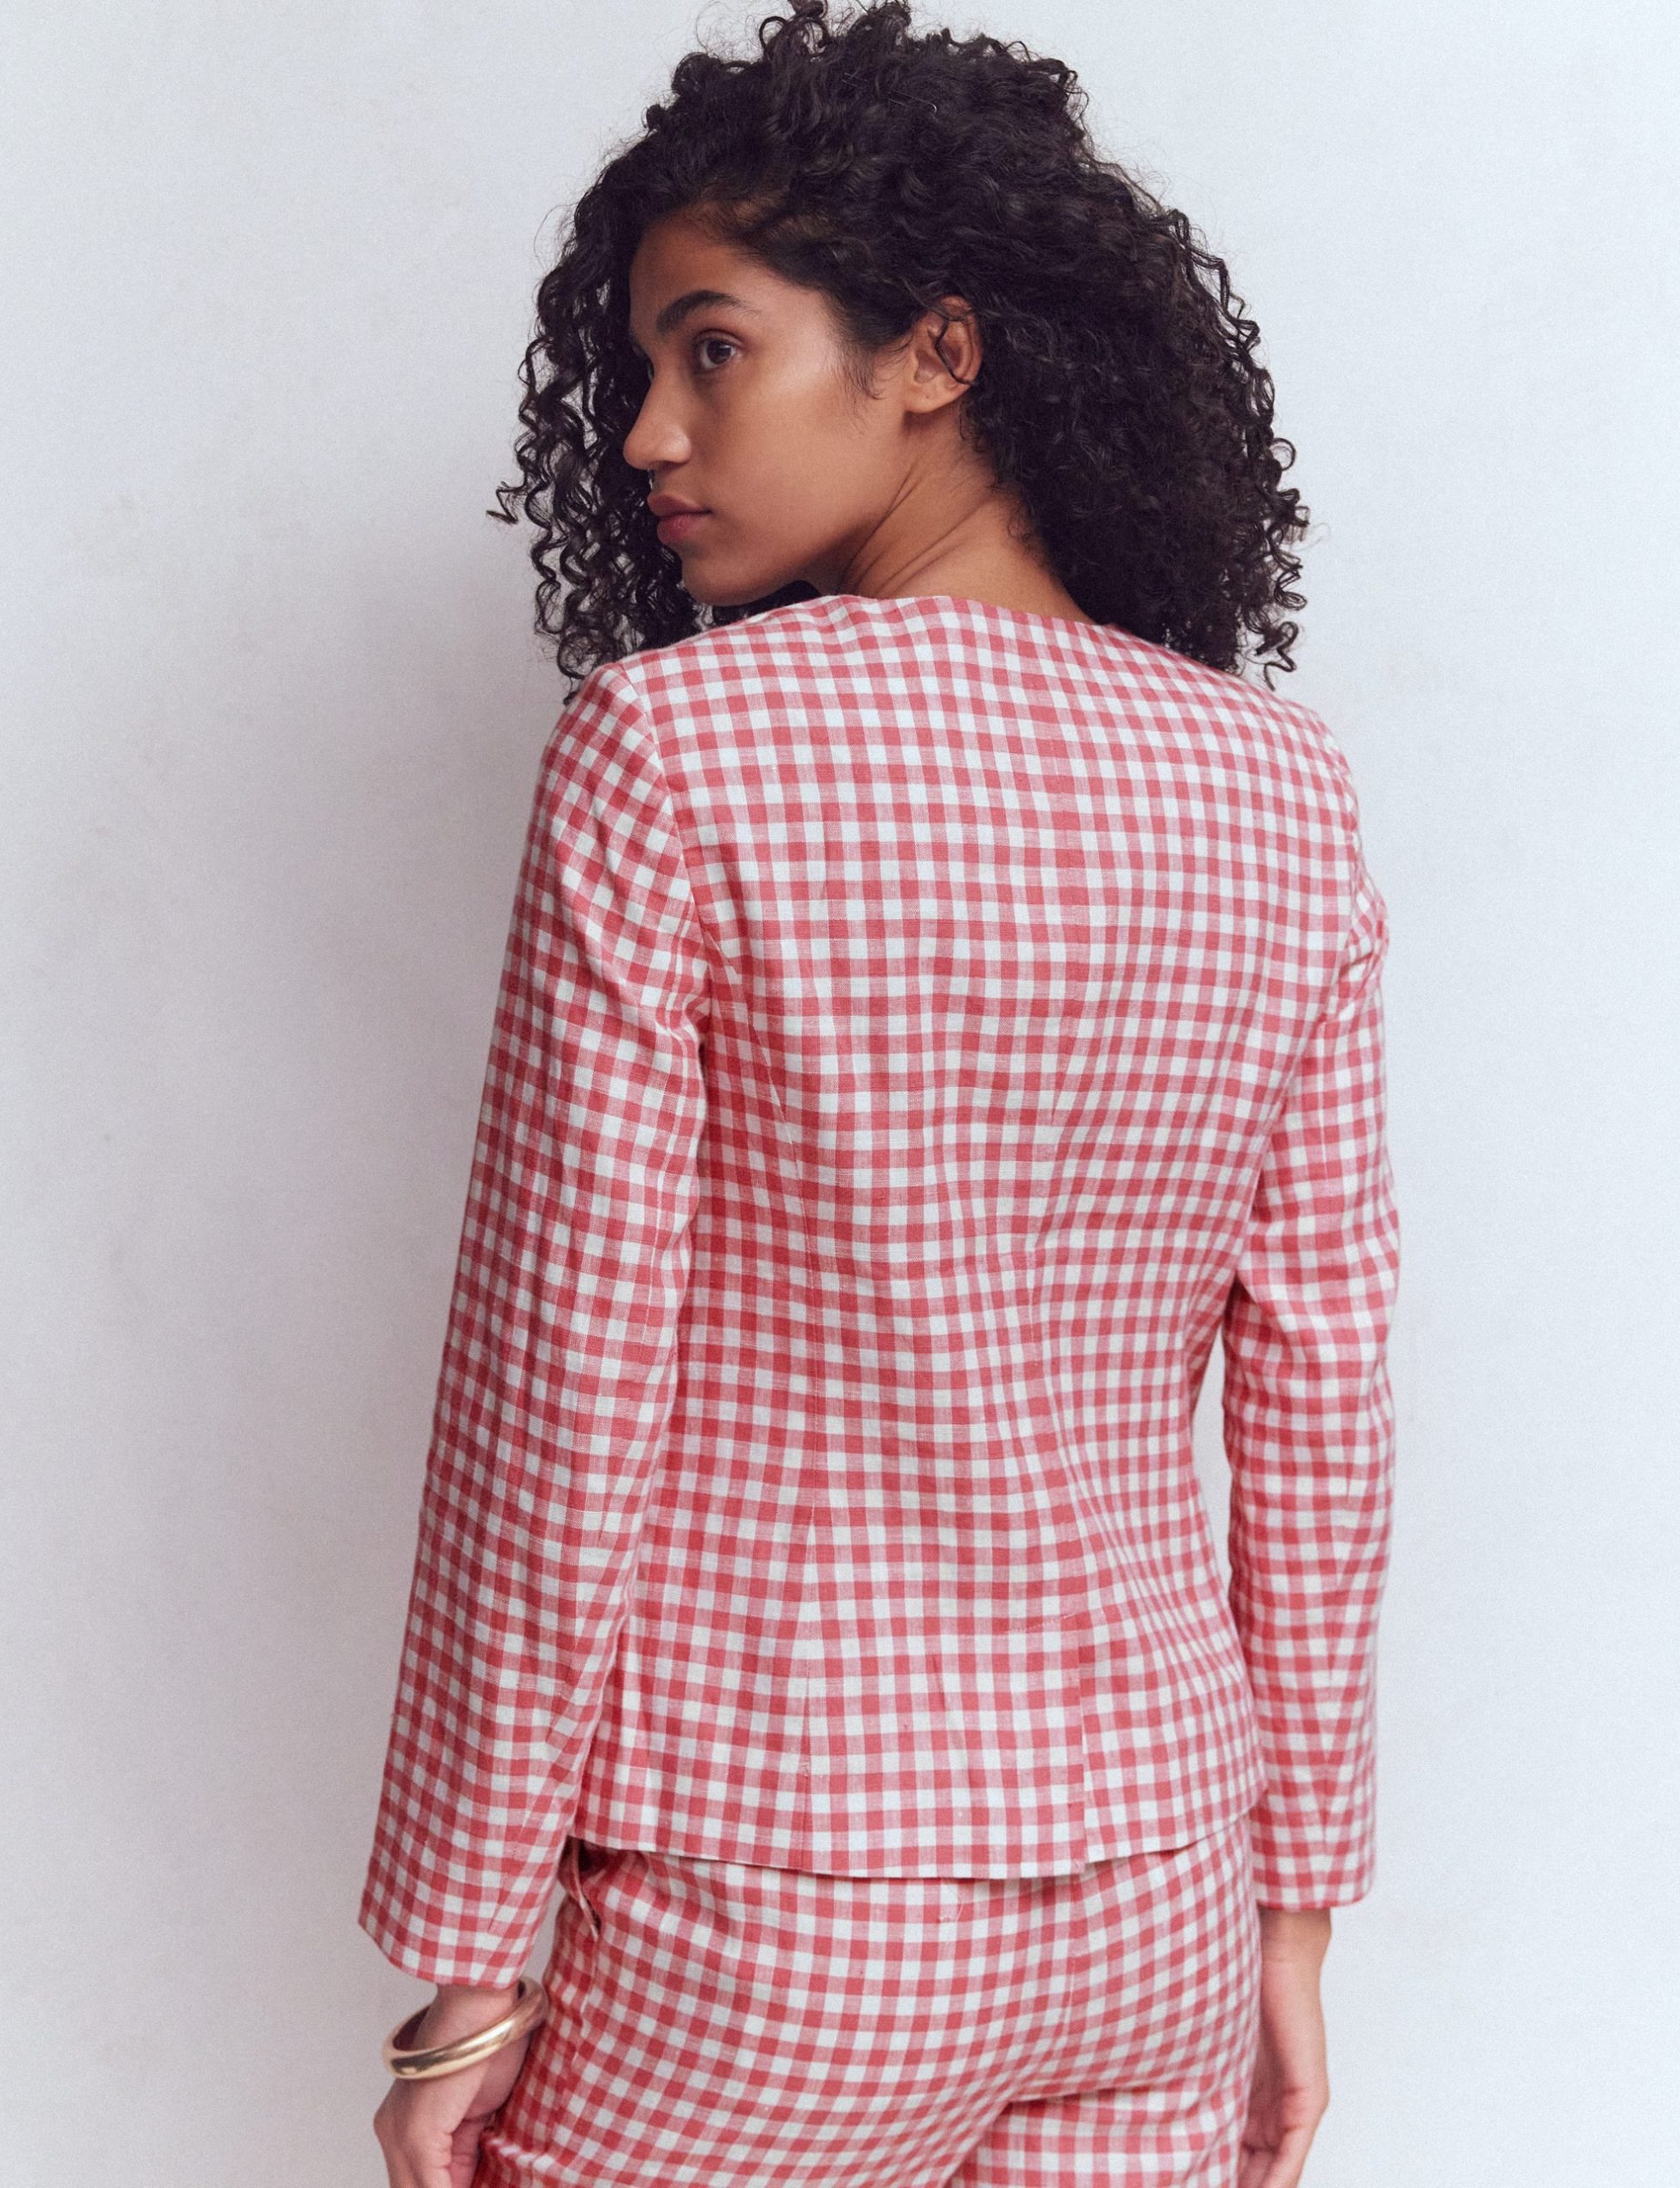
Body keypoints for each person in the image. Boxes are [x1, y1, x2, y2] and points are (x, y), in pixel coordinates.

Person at [361, 3, 1400, 2185]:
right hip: (1153, 1898)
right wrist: (1293, 1904)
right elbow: (1325, 1380)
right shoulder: (1279, 787)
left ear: (937, 352)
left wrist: (469, 1957)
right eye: (638, 369)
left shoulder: (674, 754)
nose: (648, 431)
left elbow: (563, 1378)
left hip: (770, 1891)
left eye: (713, 350)